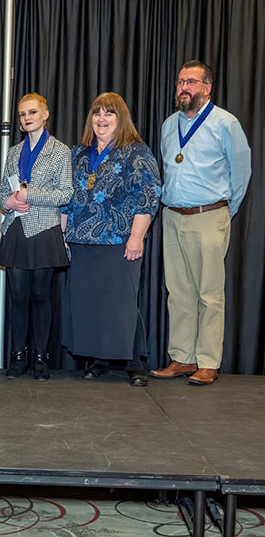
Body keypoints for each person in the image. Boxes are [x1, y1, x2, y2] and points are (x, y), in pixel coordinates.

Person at [150, 60, 251, 386]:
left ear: (207, 87)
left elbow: (241, 172)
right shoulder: (169, 125)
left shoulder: (225, 123)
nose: (184, 88)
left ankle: (208, 362)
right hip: (172, 216)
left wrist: (225, 210)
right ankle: (183, 357)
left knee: (209, 293)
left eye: (191, 82)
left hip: (208, 215)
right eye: (180, 82)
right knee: (178, 292)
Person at [61, 92, 161, 387]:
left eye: (109, 114)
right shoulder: (78, 152)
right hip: (81, 239)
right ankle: (100, 359)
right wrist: (65, 233)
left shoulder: (136, 152)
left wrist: (136, 237)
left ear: (121, 119)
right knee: (90, 303)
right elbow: (68, 197)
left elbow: (149, 196)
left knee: (121, 304)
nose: (101, 119)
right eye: (97, 113)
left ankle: (135, 362)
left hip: (119, 239)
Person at [0, 93, 73, 381]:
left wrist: (31, 195)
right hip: (16, 227)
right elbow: (3, 192)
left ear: (45, 114)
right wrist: (9, 203)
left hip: (43, 229)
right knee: (18, 296)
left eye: (31, 113)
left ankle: (41, 357)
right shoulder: (14, 152)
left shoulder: (60, 151)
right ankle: (18, 356)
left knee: (41, 295)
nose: (26, 118)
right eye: (21, 114)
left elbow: (66, 193)